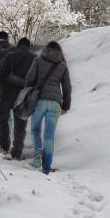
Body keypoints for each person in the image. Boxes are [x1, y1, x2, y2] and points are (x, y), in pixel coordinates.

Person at [24, 40, 71, 174]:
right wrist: (66, 105)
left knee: (35, 129)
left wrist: (31, 90)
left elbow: (29, 79)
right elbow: (67, 88)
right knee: (49, 135)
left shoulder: (38, 61)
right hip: (55, 103)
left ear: (46, 49)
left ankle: (38, 152)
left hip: (39, 101)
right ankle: (46, 166)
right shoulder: (63, 66)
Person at [0, 37, 35, 158]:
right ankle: (17, 151)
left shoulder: (9, 56)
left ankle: (5, 146)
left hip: (7, 93)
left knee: (3, 119)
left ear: (18, 45)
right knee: (20, 123)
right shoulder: (34, 58)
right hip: (23, 95)